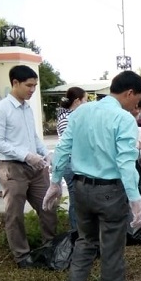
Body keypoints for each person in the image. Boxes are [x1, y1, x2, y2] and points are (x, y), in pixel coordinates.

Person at [42, 70, 141, 281]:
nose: (138, 105)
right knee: (112, 250)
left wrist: (55, 182)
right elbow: (125, 164)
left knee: (85, 242)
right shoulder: (124, 119)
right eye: (138, 99)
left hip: (80, 190)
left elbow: (63, 148)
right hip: (110, 192)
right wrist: (136, 204)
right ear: (129, 93)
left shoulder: (81, 112)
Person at [0, 65, 57, 269]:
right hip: (12, 168)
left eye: (35, 85)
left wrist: (45, 154)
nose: (32, 90)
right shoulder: (0, 110)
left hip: (36, 168)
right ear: (15, 83)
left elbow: (33, 137)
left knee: (48, 206)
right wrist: (26, 155)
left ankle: (50, 247)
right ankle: (22, 256)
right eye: (29, 85)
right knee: (14, 214)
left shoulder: (27, 108)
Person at [56, 86, 88, 231]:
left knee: (81, 200)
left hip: (77, 162)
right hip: (70, 162)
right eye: (85, 100)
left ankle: (82, 234)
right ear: (77, 101)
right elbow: (69, 143)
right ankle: (76, 234)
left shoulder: (73, 116)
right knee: (76, 200)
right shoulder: (66, 118)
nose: (86, 104)